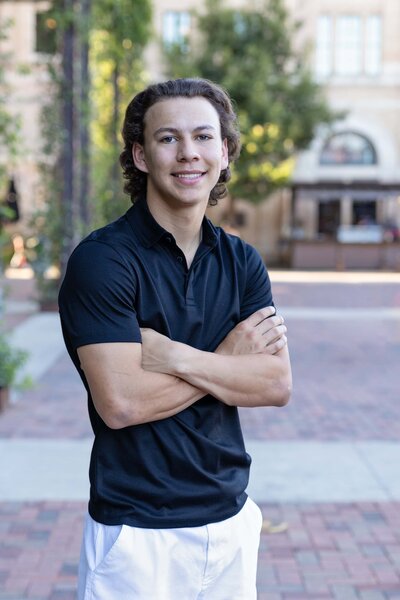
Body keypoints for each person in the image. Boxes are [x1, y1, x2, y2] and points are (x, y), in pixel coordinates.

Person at [58, 77, 292, 600]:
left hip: (230, 521)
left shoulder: (242, 261)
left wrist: (177, 358)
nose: (189, 153)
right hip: (137, 537)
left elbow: (275, 384)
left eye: (204, 137)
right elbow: (120, 403)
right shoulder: (103, 261)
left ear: (225, 151)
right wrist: (229, 361)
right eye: (168, 139)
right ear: (140, 156)